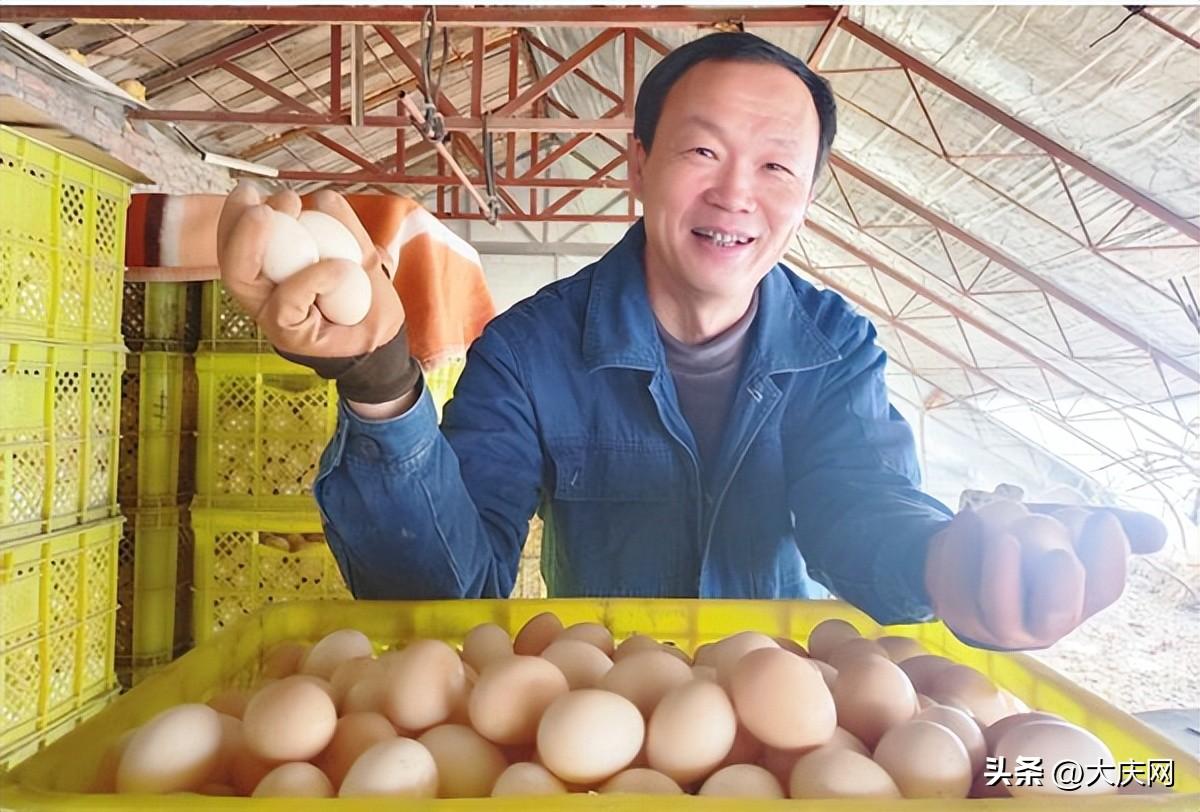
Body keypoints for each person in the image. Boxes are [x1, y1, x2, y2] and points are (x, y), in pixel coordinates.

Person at [217, 33, 1164, 651]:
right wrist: (381, 383)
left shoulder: (839, 347)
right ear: (640, 166)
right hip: (593, 705)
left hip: (781, 709)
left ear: (808, 196)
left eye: (777, 166)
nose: (735, 195)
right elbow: (445, 590)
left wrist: (942, 559)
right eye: (703, 152)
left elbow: (856, 502)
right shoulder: (532, 351)